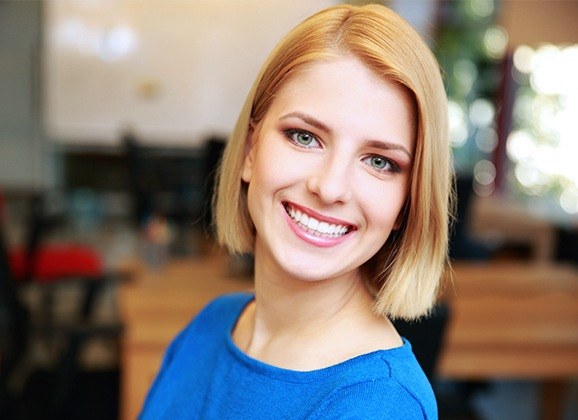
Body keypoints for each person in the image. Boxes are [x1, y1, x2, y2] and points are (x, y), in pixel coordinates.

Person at [140, 3, 452, 419]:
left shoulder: (381, 405)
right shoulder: (211, 325)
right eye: (304, 136)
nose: (329, 186)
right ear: (251, 150)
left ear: (406, 203)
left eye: (380, 161)